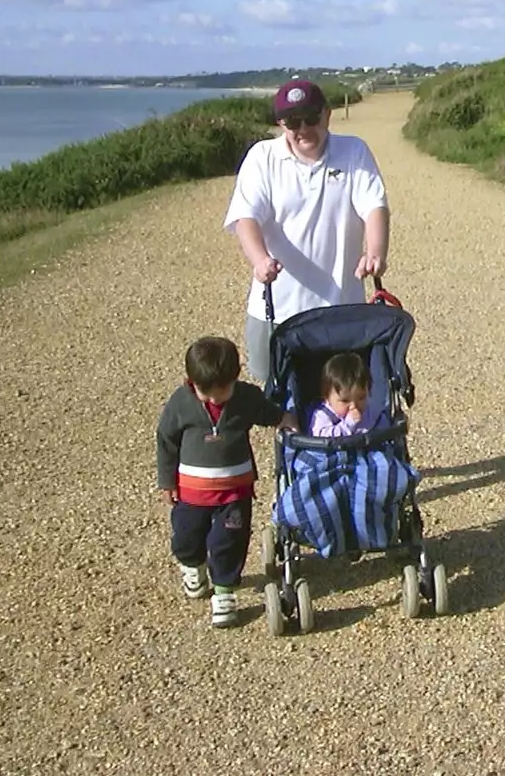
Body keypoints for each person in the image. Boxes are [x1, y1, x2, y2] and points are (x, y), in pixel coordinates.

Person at [223, 79, 390, 383]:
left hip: (340, 310)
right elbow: (246, 217)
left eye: (311, 118)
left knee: (343, 402)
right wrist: (260, 261)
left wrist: (376, 252)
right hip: (277, 309)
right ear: (280, 123)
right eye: (293, 122)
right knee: (279, 406)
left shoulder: (354, 150)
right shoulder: (262, 157)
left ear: (327, 115)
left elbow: (375, 206)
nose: (303, 129)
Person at [154, 336, 297, 628]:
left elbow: (268, 413)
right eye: (207, 393)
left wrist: (285, 418)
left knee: (229, 542)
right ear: (190, 381)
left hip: (235, 492)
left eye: (223, 391)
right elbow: (166, 439)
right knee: (186, 537)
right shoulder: (181, 403)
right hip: (191, 493)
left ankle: (224, 591)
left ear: (236, 377)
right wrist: (167, 480)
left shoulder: (245, 398)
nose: (216, 399)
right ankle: (193, 565)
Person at [308, 352, 379, 438]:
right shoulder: (322, 416)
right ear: (327, 398)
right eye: (345, 401)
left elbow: (380, 422)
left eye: (361, 398)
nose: (354, 406)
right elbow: (321, 438)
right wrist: (348, 425)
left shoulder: (369, 410)